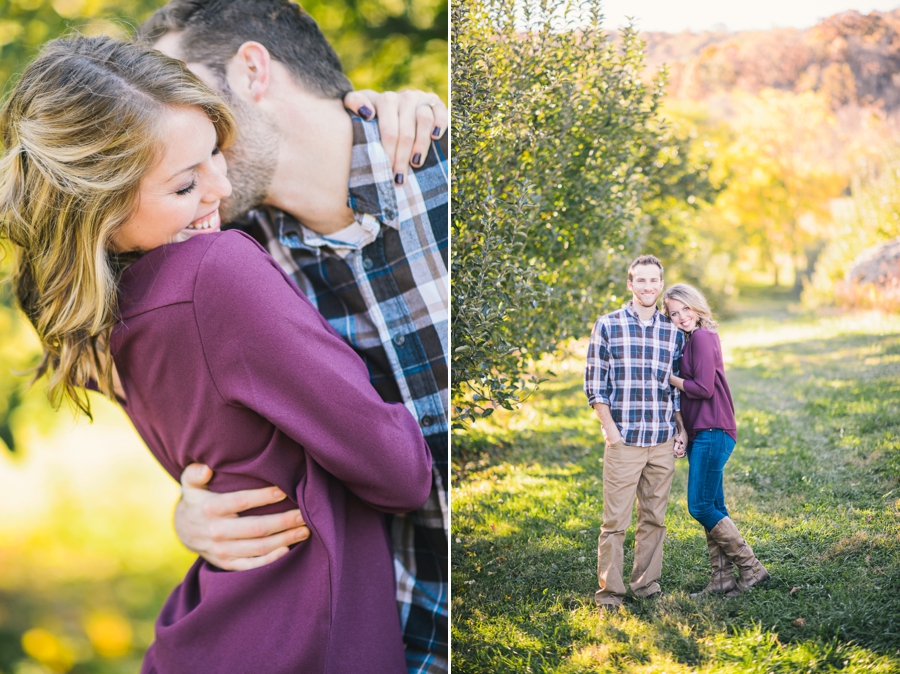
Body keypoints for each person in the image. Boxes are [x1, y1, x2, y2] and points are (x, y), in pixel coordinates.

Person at [0, 35, 434, 673]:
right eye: (184, 185)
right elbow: (401, 472)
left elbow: (212, 467)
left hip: (222, 633)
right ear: (97, 211)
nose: (221, 190)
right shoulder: (217, 272)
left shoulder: (91, 314)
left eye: (215, 155)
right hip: (299, 642)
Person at [136, 2, 449, 671]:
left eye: (181, 95)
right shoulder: (227, 264)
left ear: (252, 71)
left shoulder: (453, 170)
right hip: (398, 639)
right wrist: (192, 511)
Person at [583, 255, 687, 615]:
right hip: (624, 439)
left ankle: (646, 583)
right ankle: (610, 593)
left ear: (661, 284)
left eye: (654, 280)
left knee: (654, 518)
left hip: (660, 439)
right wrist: (610, 432)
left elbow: (674, 389)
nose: (647, 287)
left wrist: (680, 430)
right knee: (615, 523)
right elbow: (595, 385)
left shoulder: (673, 332)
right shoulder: (608, 325)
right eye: (640, 280)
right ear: (630, 284)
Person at [663, 283, 770, 596]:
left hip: (714, 431)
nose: (682, 316)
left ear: (697, 308)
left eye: (686, 309)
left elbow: (704, 389)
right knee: (714, 505)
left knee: (699, 506)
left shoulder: (703, 337)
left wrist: (667, 376)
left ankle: (751, 567)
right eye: (673, 313)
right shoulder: (689, 342)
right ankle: (722, 581)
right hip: (702, 432)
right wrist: (682, 430)